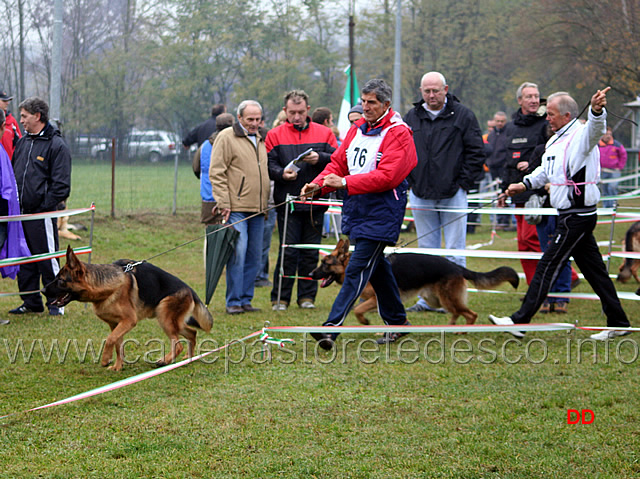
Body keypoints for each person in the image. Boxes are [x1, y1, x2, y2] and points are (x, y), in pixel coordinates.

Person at [489, 87, 632, 341]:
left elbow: (596, 129)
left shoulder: (582, 135)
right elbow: (545, 171)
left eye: (552, 114)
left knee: (547, 265)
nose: (547, 118)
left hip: (578, 215)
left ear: (567, 115)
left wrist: (597, 111)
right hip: (567, 214)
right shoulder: (554, 139)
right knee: (596, 272)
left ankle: (520, 321)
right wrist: (523, 184)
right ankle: (619, 321)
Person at [301, 78, 417, 349]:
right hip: (358, 208)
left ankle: (331, 328)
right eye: (363, 102)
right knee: (378, 270)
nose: (365, 107)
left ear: (386, 104)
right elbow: (338, 163)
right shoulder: (357, 130)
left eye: (371, 102)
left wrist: (344, 184)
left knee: (357, 268)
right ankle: (398, 323)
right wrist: (317, 186)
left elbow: (388, 176)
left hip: (383, 211)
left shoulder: (399, 133)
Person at [403, 71, 485, 312]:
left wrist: (463, 183)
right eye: (427, 91)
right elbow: (403, 150)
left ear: (445, 89)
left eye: (436, 90)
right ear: (421, 92)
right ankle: (426, 300)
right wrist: (411, 181)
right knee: (426, 251)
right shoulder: (411, 117)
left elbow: (476, 152)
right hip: (420, 192)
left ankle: (452, 300)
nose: (431, 95)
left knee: (454, 249)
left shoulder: (463, 115)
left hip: (454, 193)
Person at [267, 89, 337, 310]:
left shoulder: (324, 133)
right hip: (287, 202)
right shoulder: (275, 134)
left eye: (300, 112)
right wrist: (281, 174)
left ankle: (307, 297)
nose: (296, 117)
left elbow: (337, 160)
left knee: (310, 251)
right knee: (288, 250)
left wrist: (320, 158)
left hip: (316, 202)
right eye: (291, 112)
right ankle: (281, 298)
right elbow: (268, 165)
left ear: (307, 110)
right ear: (284, 111)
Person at [10, 97, 71, 316]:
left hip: (41, 215)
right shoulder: (24, 142)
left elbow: (61, 186)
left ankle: (57, 302)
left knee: (47, 259)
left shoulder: (57, 145)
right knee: (24, 260)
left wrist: (42, 207)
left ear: (38, 116)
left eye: (25, 116)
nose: (21, 120)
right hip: (20, 215)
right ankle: (30, 302)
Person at [209, 100, 269, 315]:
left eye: (258, 119)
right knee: (238, 253)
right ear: (240, 118)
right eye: (250, 119)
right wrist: (223, 202)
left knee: (255, 255)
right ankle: (233, 301)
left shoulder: (262, 138)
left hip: (259, 208)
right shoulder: (226, 137)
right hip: (236, 208)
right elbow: (216, 172)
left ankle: (246, 299)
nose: (254, 123)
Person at [499, 82, 547, 285]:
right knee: (522, 243)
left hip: (537, 191)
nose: (534, 100)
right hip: (515, 191)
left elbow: (554, 152)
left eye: (536, 96)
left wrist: (533, 161)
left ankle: (564, 277)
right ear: (520, 100)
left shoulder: (547, 123)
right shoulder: (510, 127)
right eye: (529, 96)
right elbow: (506, 161)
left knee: (532, 239)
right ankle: (532, 286)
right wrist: (503, 190)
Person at [196, 112, 234, 225]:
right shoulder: (234, 143)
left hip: (208, 197)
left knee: (211, 233)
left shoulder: (205, 145)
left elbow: (196, 168)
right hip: (230, 198)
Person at [598, 126, 627, 208]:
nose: (608, 136)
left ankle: (612, 206)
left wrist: (620, 167)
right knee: (604, 189)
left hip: (614, 171)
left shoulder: (617, 144)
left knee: (612, 188)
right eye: (606, 134)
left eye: (609, 134)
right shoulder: (597, 145)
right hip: (602, 171)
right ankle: (606, 207)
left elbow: (623, 155)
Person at [0, 88, 22, 160]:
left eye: (8, 101)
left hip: (8, 164)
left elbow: (20, 143)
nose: (7, 103)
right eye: (4, 101)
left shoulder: (12, 121)